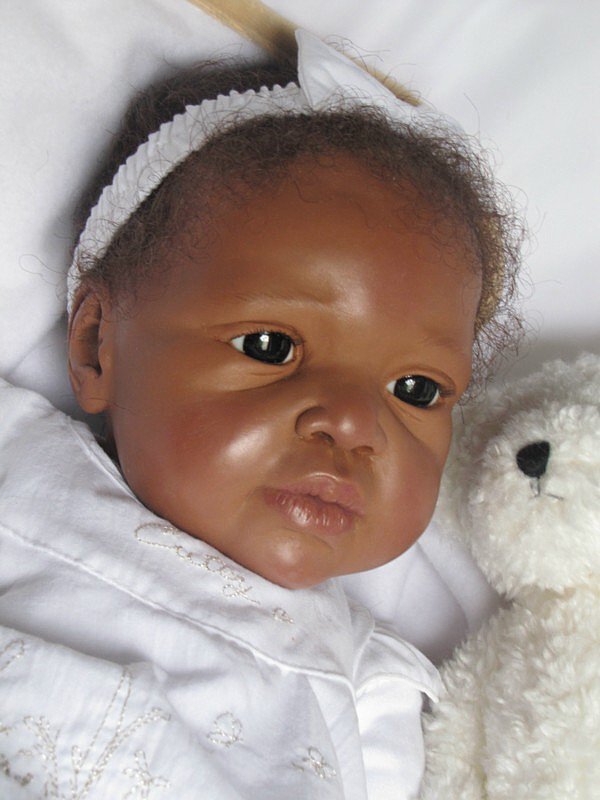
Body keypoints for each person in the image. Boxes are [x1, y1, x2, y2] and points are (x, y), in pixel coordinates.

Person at [0, 30, 521, 799]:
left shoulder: (376, 686)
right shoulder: (19, 472)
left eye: (415, 389)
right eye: (271, 346)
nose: (354, 424)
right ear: (96, 347)